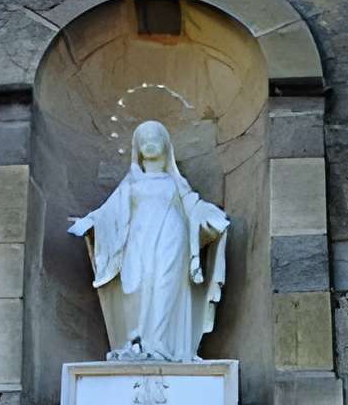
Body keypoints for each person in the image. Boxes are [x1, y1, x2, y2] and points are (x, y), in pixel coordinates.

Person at [69, 119, 229, 363]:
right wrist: (91, 223)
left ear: (165, 145)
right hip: (138, 240)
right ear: (138, 148)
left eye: (155, 138)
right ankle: (138, 343)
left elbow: (193, 206)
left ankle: (161, 346)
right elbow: (109, 212)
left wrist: (211, 216)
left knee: (166, 286)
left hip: (171, 237)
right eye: (144, 140)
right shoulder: (131, 183)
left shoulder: (175, 182)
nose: (150, 143)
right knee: (137, 287)